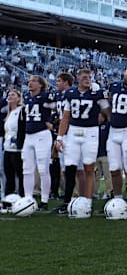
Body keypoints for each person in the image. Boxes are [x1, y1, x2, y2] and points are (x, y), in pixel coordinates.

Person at [56, 68, 112, 214]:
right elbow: (66, 117)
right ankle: (67, 201)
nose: (88, 79)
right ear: (78, 78)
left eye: (89, 77)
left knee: (88, 167)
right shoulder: (70, 93)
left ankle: (88, 201)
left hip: (91, 132)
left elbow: (108, 113)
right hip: (74, 131)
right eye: (85, 77)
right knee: (70, 168)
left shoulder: (97, 94)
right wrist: (60, 136)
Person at [107, 63, 127, 210]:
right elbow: (108, 104)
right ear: (124, 72)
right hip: (113, 130)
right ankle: (117, 198)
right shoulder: (113, 86)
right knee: (114, 168)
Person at [21, 75, 56, 210]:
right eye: (29, 81)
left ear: (41, 84)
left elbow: (59, 107)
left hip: (42, 134)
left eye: (34, 81)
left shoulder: (46, 96)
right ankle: (28, 198)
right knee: (27, 170)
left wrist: (52, 122)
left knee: (43, 168)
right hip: (29, 135)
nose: (30, 83)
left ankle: (44, 201)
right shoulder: (27, 97)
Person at [52, 72, 74, 214]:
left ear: (66, 82)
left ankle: (75, 197)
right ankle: (68, 196)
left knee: (74, 169)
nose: (57, 83)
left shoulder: (72, 94)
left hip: (72, 133)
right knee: (65, 169)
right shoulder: (59, 96)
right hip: (62, 134)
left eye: (59, 81)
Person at [3, 89, 25, 197]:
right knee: (9, 175)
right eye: (8, 94)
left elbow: (23, 128)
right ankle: (8, 198)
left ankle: (23, 196)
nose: (9, 96)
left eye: (13, 94)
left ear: (18, 98)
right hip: (7, 147)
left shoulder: (22, 110)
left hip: (17, 148)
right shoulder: (9, 113)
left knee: (20, 174)